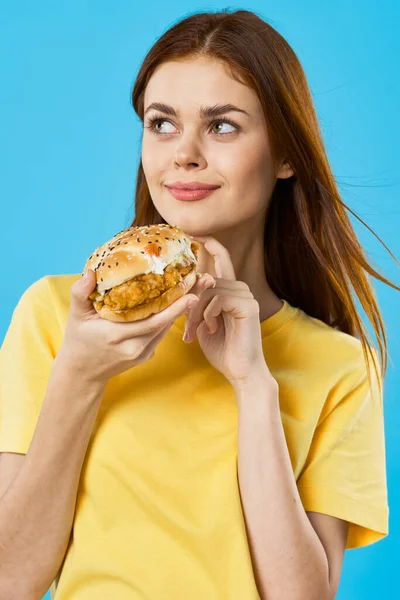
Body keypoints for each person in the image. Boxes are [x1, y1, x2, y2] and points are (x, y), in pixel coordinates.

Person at [0, 8, 397, 600]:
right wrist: (78, 376)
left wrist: (253, 385)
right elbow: (10, 581)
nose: (182, 154)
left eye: (223, 126)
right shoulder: (57, 317)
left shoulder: (339, 366)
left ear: (286, 155)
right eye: (161, 124)